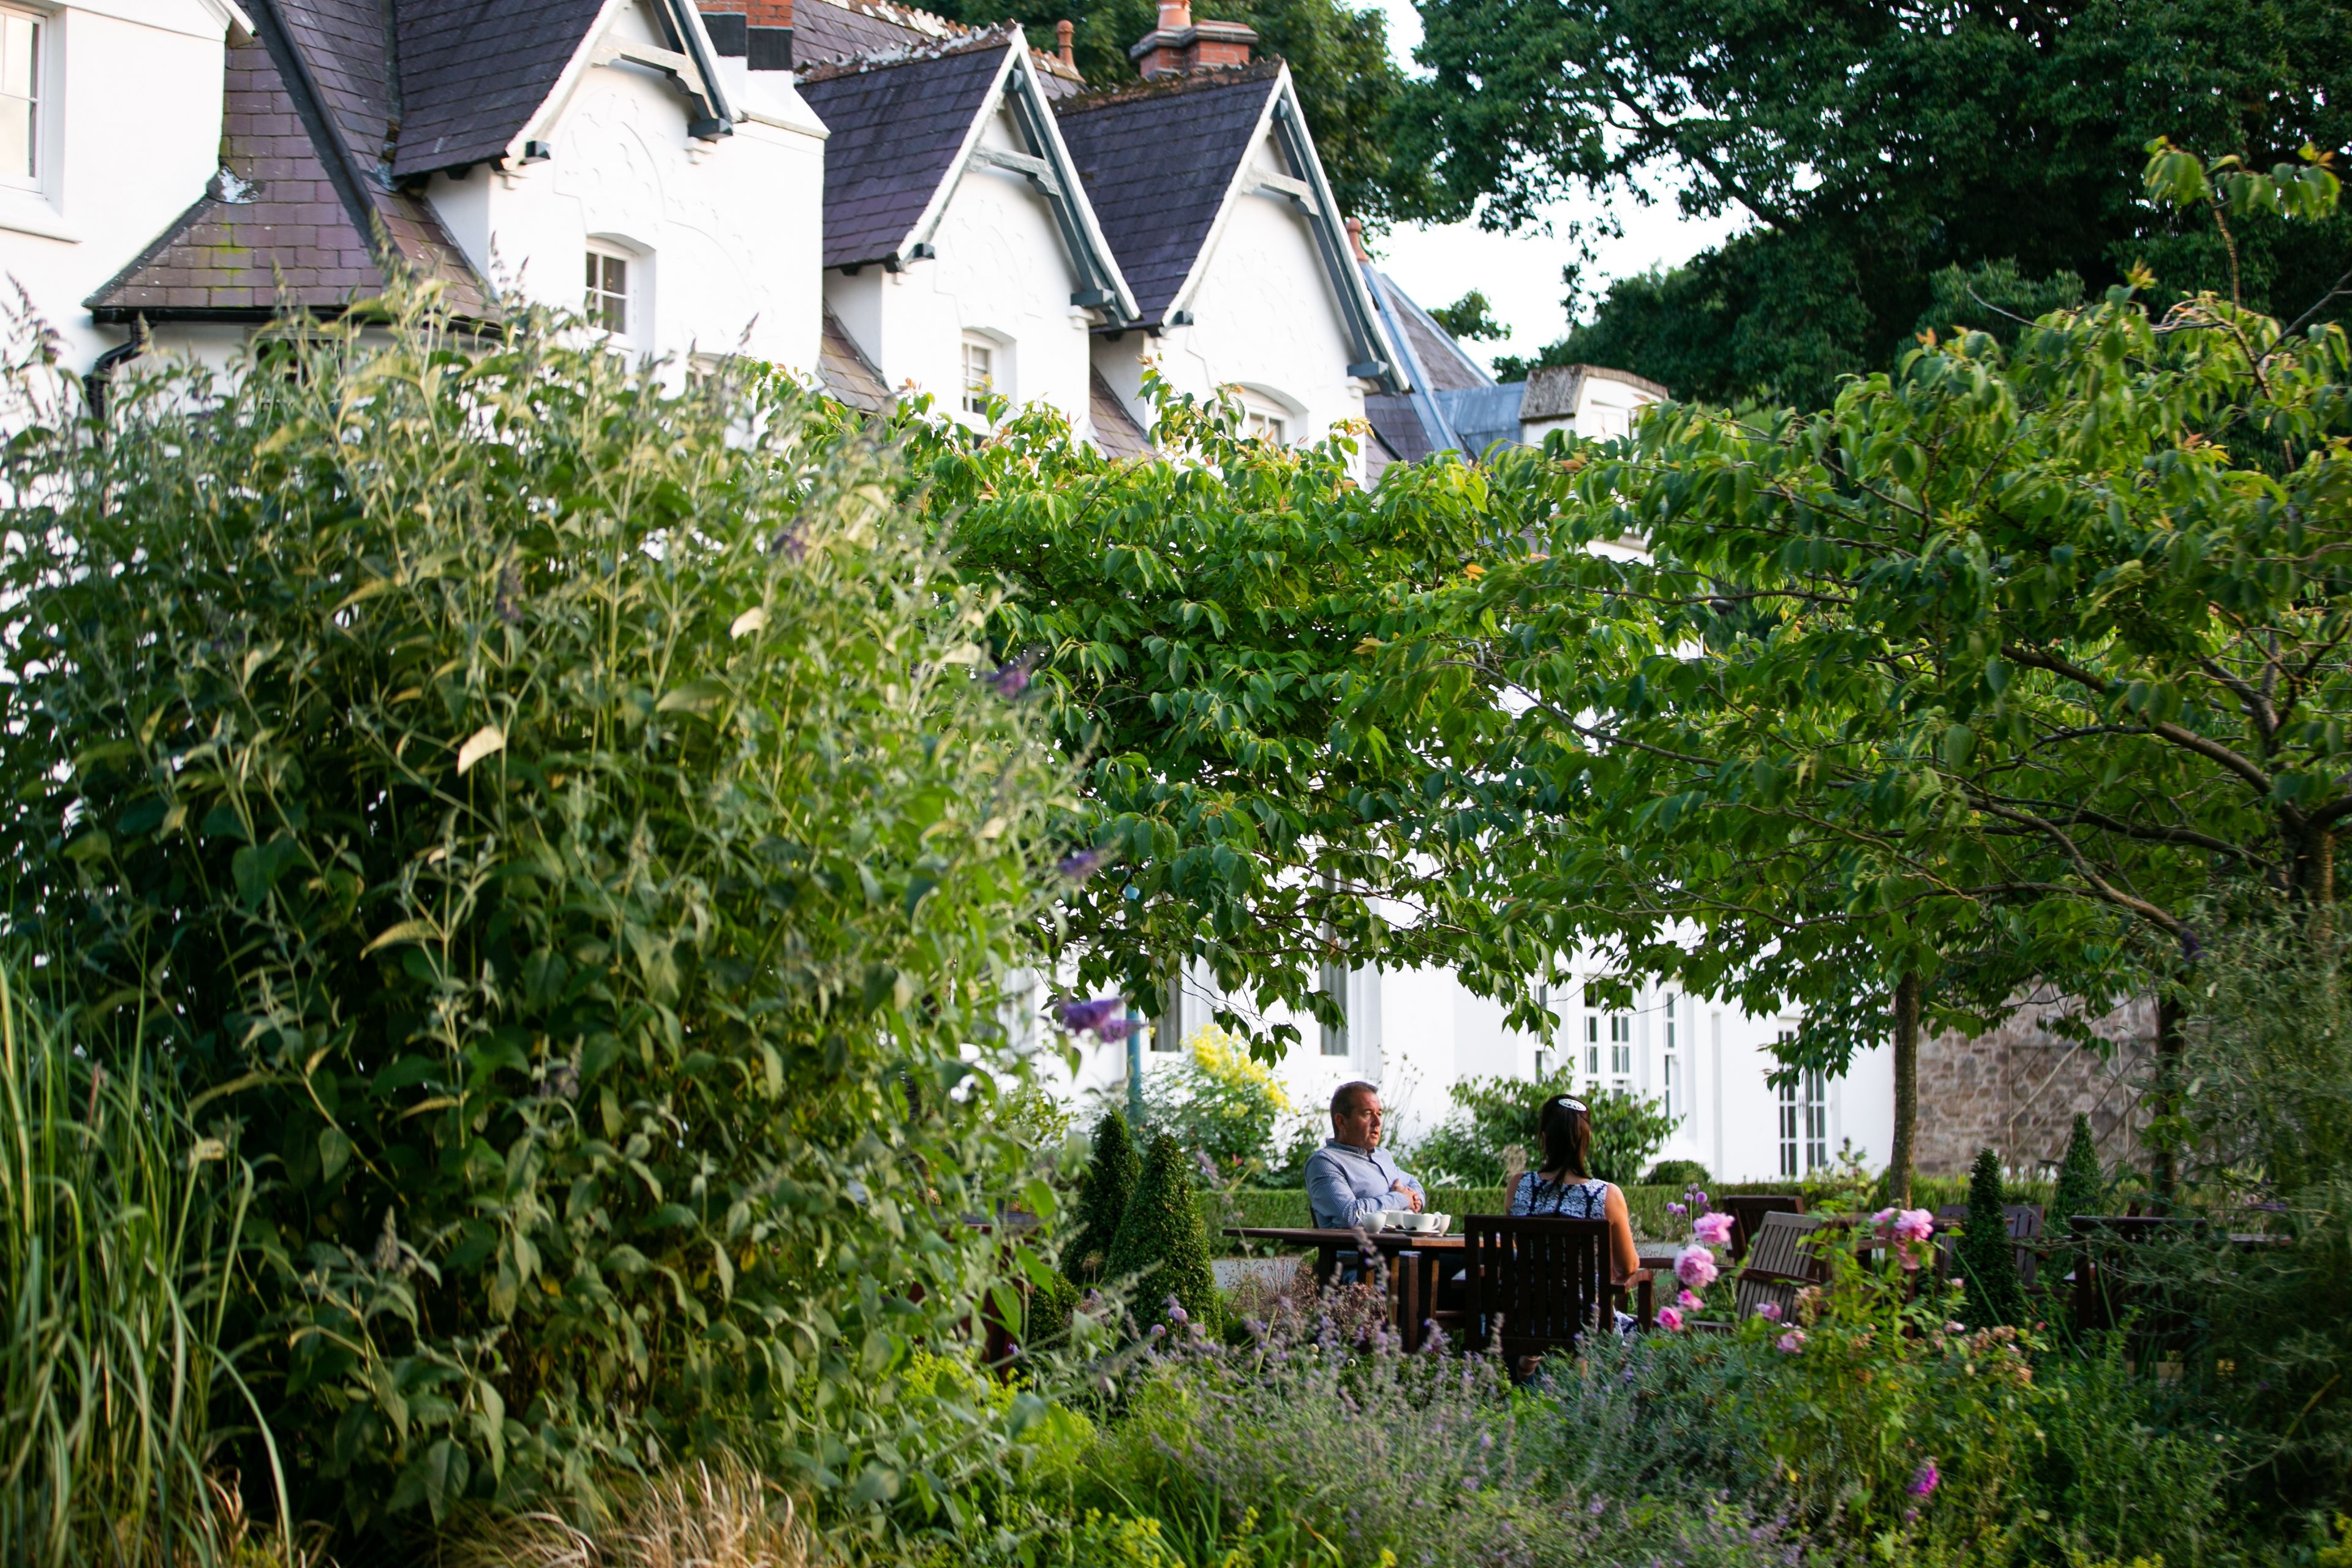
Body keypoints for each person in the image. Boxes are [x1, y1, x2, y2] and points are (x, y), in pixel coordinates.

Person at [1509, 1094, 1642, 1289]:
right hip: (1585, 1318)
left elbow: (1523, 1248)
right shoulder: (1607, 1196)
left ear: (1545, 1139)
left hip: (1521, 1316)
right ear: (1586, 1141)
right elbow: (1628, 1266)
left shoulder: (1518, 1185)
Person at [1305, 1081, 1426, 1229]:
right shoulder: (1325, 1162)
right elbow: (1350, 1215)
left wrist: (1415, 1199)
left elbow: (1413, 1183)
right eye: (1367, 1114)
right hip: (1362, 1250)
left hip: (1406, 1247)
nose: (1378, 1122)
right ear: (1341, 1122)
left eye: (1379, 1114)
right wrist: (1401, 1199)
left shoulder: (1383, 1156)